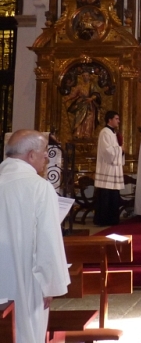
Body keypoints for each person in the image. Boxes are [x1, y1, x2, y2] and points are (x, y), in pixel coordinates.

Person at [0, 130, 70, 343]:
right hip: (25, 279)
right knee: (24, 332)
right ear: (31, 155)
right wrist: (50, 284)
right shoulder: (39, 188)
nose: (46, 158)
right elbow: (48, 240)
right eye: (44, 153)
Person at [93, 110, 124, 226]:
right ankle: (103, 220)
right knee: (106, 195)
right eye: (116, 119)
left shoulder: (113, 133)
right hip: (107, 168)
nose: (118, 121)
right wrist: (121, 149)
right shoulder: (105, 132)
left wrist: (120, 150)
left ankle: (112, 219)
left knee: (113, 195)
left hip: (113, 168)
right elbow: (107, 151)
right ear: (109, 120)